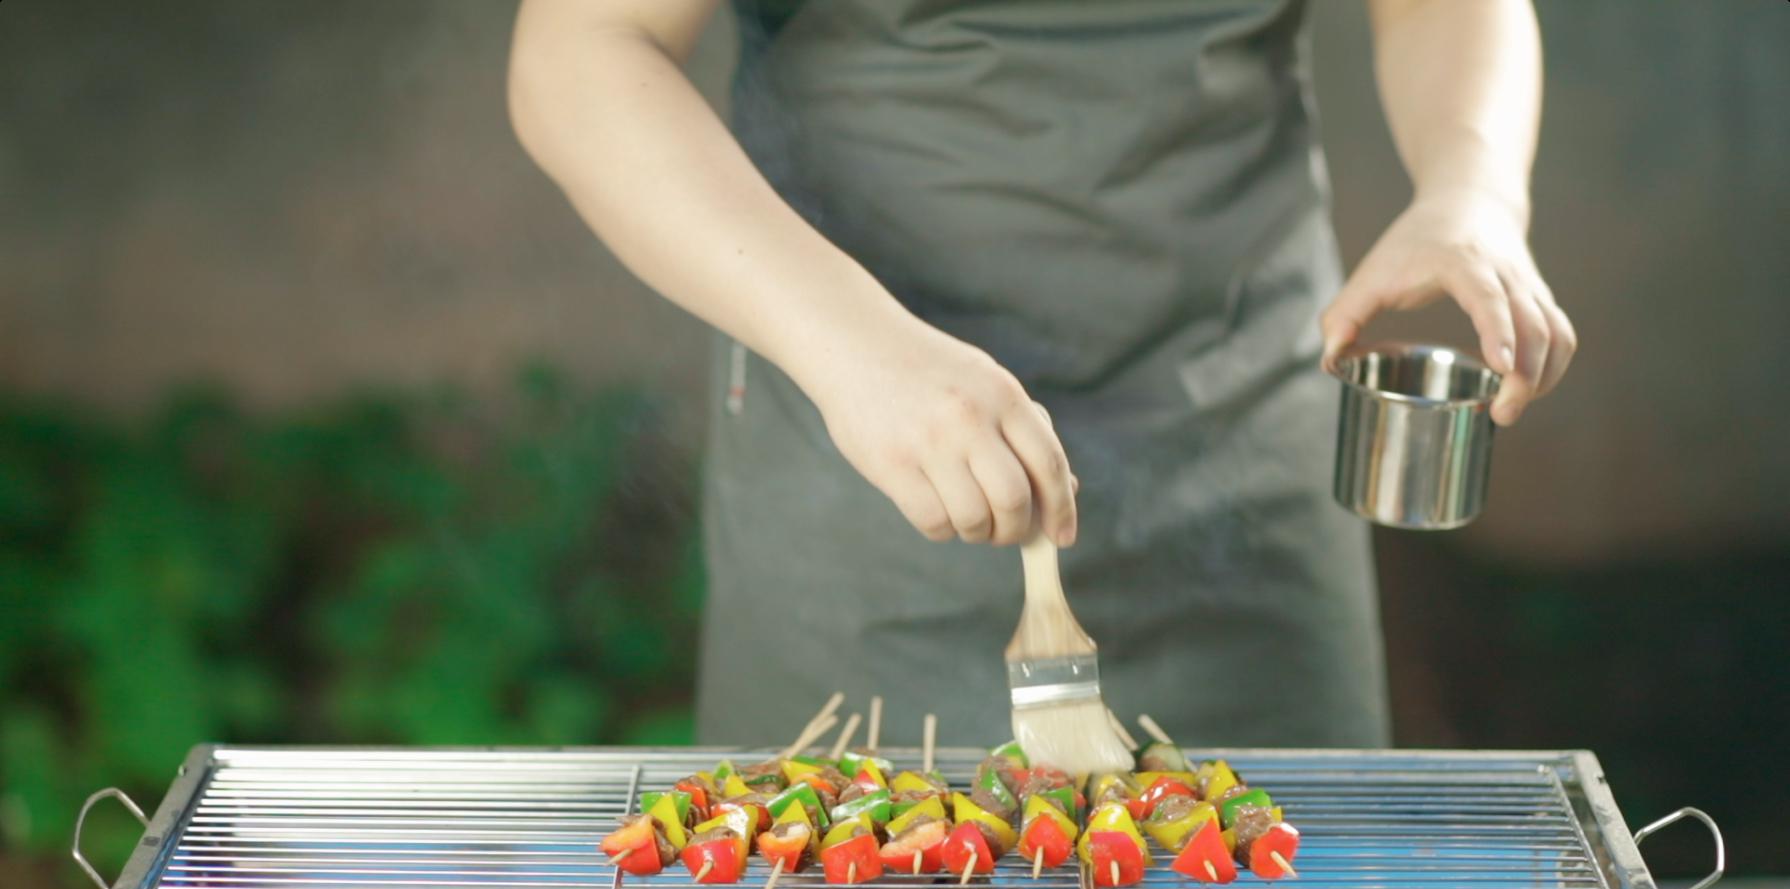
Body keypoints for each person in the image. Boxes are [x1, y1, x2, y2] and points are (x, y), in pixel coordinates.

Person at [508, 0, 1577, 750]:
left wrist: (1473, 188)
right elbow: (579, 51)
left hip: (1245, 459)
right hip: (865, 469)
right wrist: (850, 344)